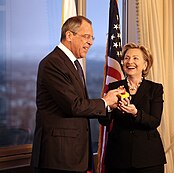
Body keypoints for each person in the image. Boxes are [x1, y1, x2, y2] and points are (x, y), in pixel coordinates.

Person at [31, 16, 124, 173]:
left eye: (92, 38)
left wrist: (108, 106)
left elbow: (80, 104)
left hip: (72, 156)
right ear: (69, 36)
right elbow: (73, 105)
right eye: (86, 37)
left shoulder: (74, 65)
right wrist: (105, 102)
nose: (91, 42)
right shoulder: (53, 63)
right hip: (58, 158)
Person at [99, 42, 167, 173]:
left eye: (135, 58)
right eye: (126, 58)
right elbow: (104, 121)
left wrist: (136, 113)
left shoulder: (155, 89)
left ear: (145, 64)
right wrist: (109, 107)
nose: (130, 61)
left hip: (148, 159)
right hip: (118, 157)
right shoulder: (114, 88)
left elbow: (154, 121)